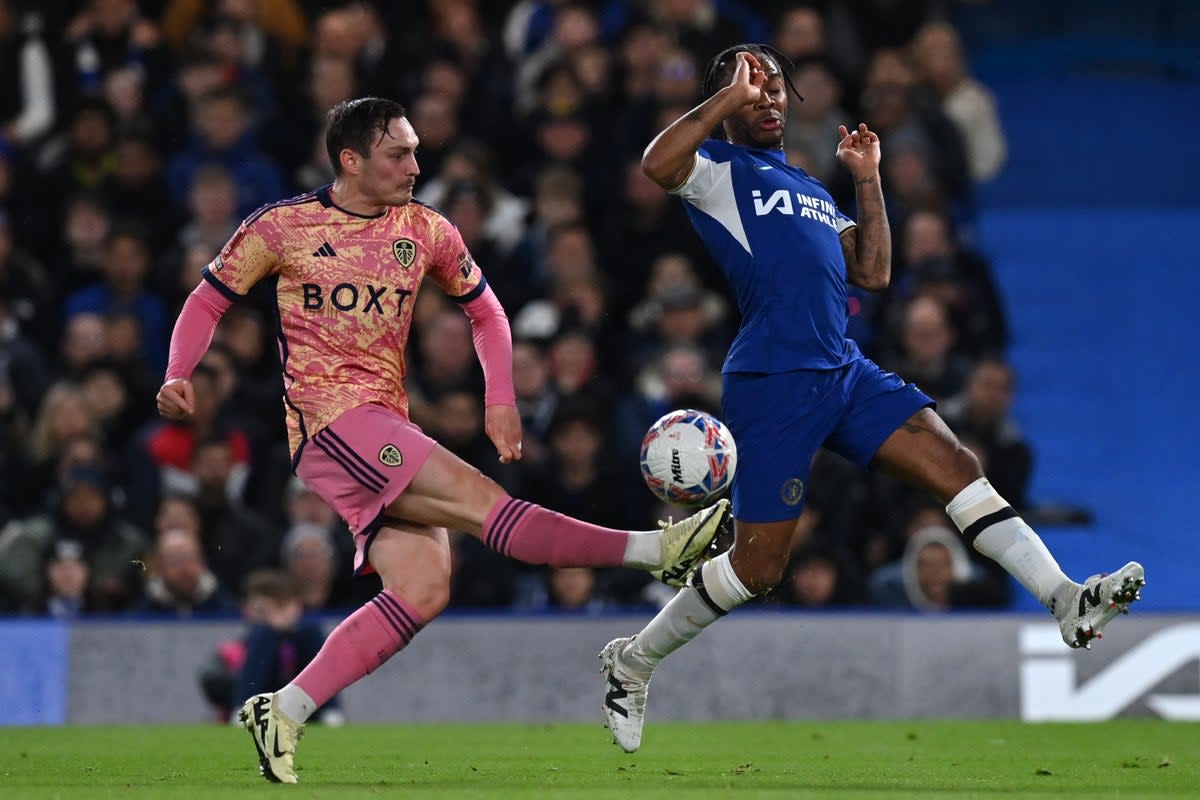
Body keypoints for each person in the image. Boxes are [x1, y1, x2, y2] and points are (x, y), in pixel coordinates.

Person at [155, 96, 730, 783]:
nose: (414, 166)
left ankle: (285, 709)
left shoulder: (425, 229)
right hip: (330, 421)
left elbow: (486, 313)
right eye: (398, 154)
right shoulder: (284, 227)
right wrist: (177, 372)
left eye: (416, 150)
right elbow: (208, 297)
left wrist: (501, 398)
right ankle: (656, 551)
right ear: (351, 160)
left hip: (385, 422)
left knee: (425, 588)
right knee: (483, 503)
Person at [596, 45, 1145, 753]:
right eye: (750, 85)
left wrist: (868, 180)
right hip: (776, 382)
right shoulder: (716, 174)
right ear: (725, 99)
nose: (768, 97)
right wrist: (726, 99)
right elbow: (655, 164)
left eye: (774, 86)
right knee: (758, 569)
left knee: (958, 465)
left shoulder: (811, 188)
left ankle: (1066, 600)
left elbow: (875, 272)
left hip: (844, 371)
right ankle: (632, 661)